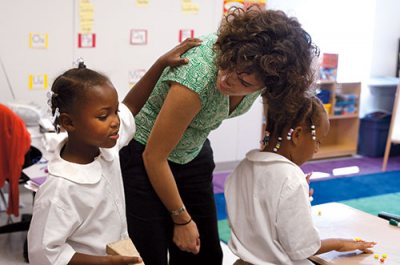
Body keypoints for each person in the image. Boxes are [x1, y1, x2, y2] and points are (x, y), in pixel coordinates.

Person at [119, 7, 320, 265]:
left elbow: (285, 126)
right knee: (150, 255)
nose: (226, 79)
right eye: (228, 66)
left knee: (205, 255)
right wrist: (181, 219)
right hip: (145, 154)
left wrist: (286, 178)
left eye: (245, 83)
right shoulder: (198, 77)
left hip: (192, 151)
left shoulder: (266, 71)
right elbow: (154, 156)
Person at [27, 38, 202, 265]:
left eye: (114, 112)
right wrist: (105, 262)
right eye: (103, 116)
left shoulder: (106, 149)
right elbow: (44, 255)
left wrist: (160, 64)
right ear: (69, 123)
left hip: (118, 249)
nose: (115, 122)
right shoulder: (59, 190)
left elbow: (132, 107)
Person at [224, 96, 377, 265]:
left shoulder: (242, 168)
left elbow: (260, 216)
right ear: (296, 135)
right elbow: (301, 246)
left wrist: (299, 195)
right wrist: (339, 243)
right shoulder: (291, 177)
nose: (316, 150)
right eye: (317, 141)